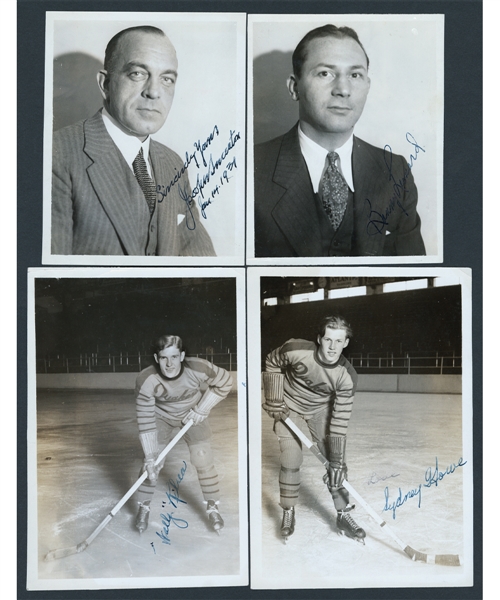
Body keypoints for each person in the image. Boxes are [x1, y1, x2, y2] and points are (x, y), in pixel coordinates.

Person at [254, 24, 426, 258]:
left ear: (367, 86)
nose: (343, 90)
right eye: (325, 73)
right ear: (295, 88)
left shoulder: (395, 172)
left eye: (355, 75)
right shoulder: (251, 169)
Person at [51, 25, 215, 256]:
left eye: (166, 79)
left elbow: (204, 267)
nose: (154, 92)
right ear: (105, 84)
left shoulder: (173, 163)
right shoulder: (55, 155)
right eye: (138, 74)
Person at [262, 315, 365, 543]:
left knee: (336, 463)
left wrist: (337, 461)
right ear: (319, 339)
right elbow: (272, 361)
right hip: (288, 408)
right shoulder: (296, 349)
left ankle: (343, 513)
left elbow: (339, 421)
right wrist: (273, 396)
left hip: (321, 411)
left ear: (346, 343)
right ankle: (288, 510)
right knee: (291, 457)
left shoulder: (347, 376)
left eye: (339, 341)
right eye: (328, 339)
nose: (332, 347)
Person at [134, 334, 233, 533]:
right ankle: (143, 506)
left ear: (182, 356)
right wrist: (151, 455)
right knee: (152, 464)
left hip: (193, 414)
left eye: (174, 357)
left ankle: (212, 506)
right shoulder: (146, 379)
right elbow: (145, 418)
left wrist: (202, 408)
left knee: (203, 457)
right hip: (161, 417)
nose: (169, 364)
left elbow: (226, 382)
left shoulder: (198, 368)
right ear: (156, 358)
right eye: (163, 358)